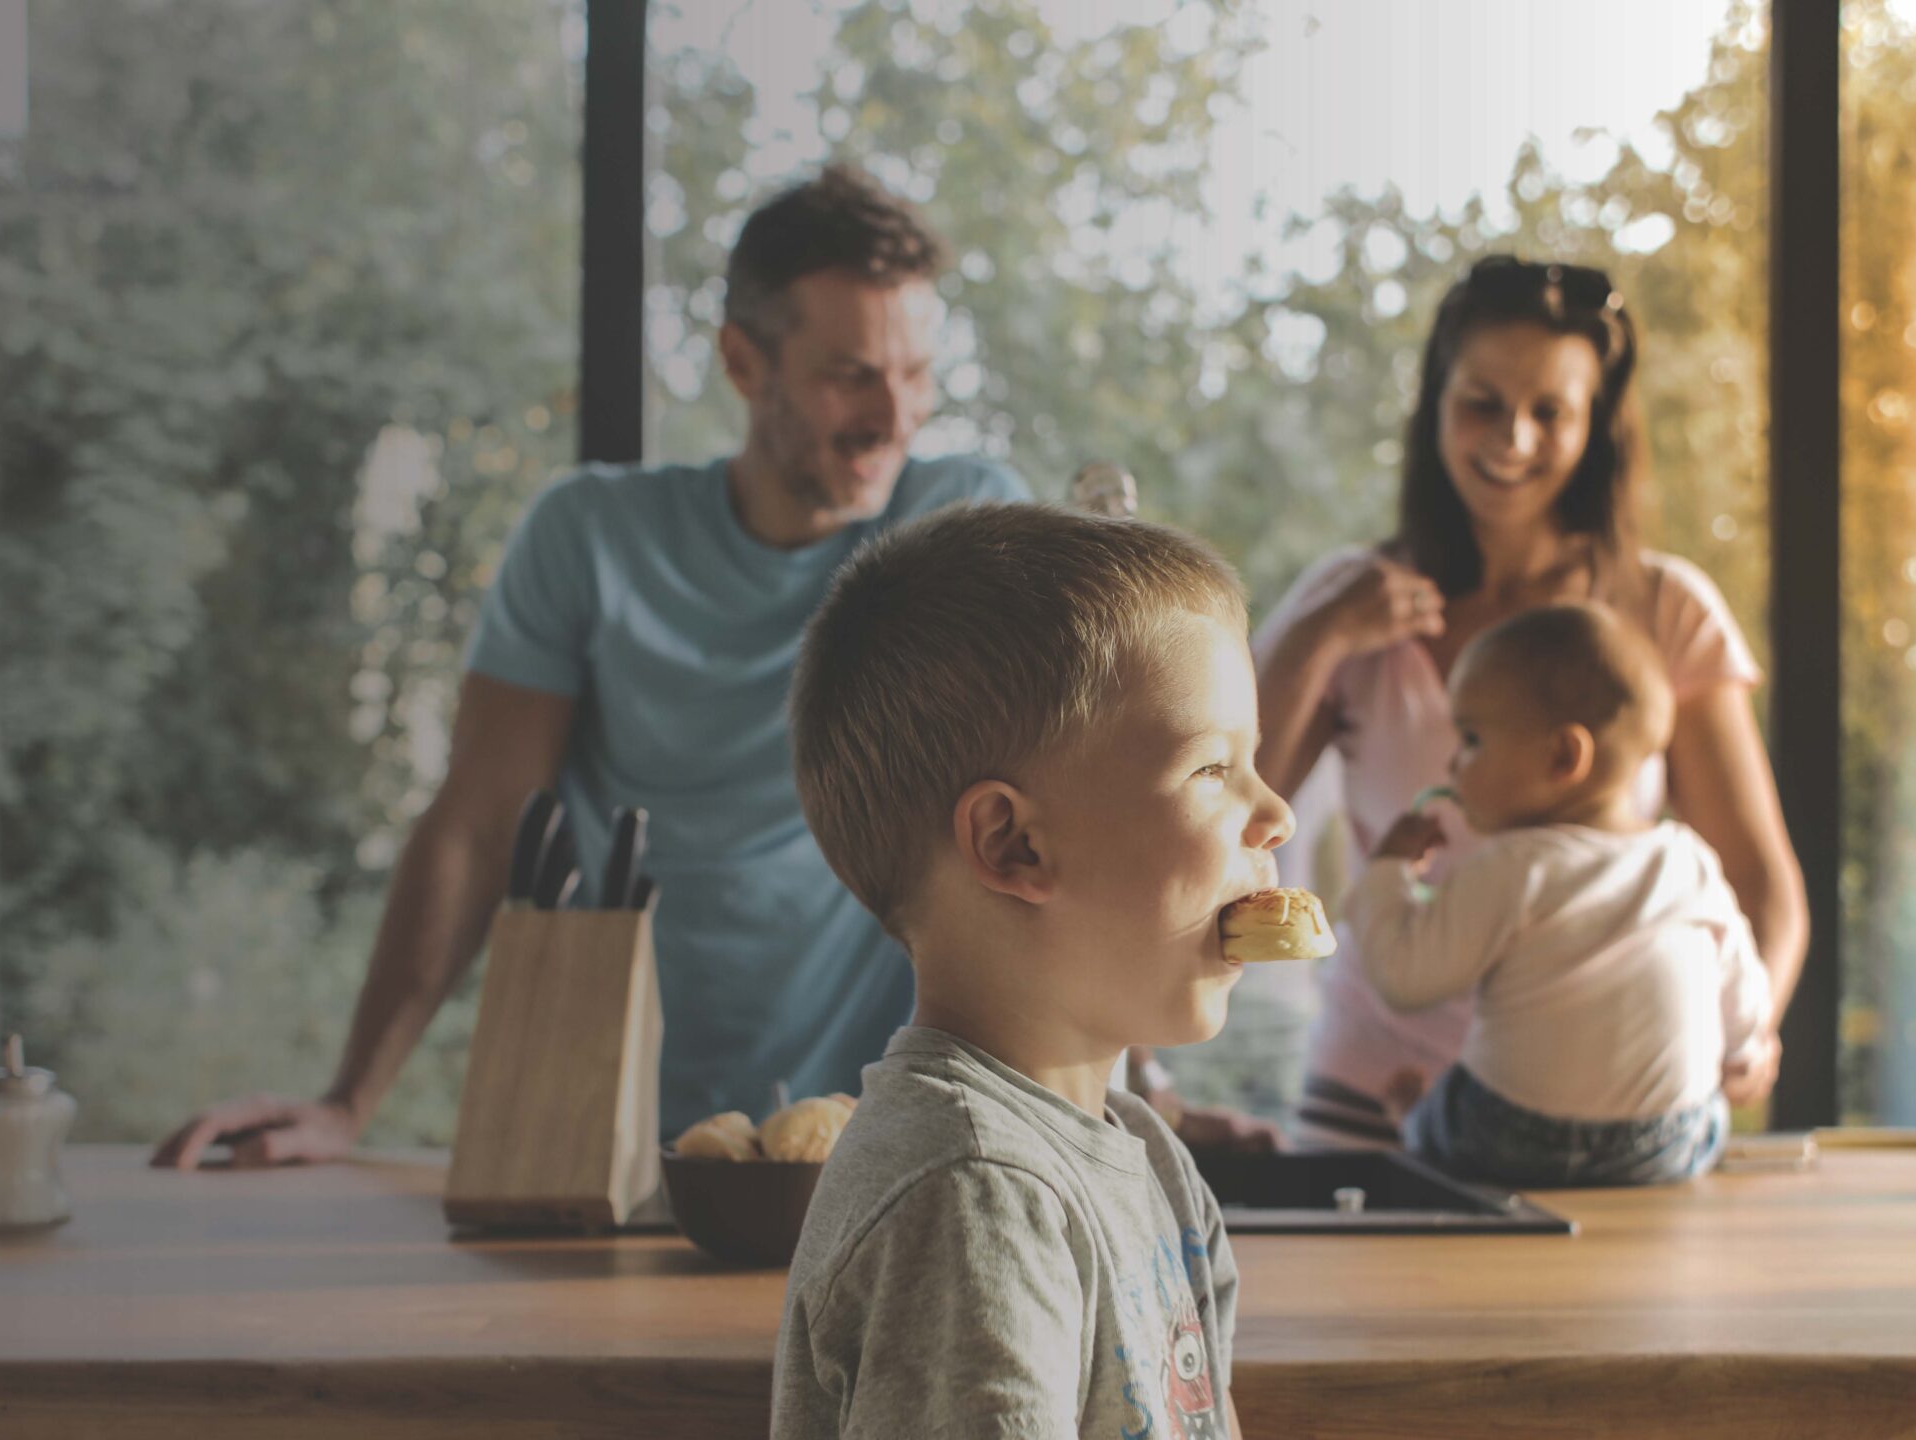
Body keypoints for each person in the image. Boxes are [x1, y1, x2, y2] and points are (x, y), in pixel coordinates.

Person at [151, 165, 1029, 1166]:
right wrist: (348, 1103)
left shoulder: (963, 526)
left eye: (915, 373)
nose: (893, 411)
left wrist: (1150, 1094)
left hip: (893, 1145)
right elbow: (480, 827)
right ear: (744, 364)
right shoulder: (589, 537)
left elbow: (1058, 816)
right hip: (608, 1137)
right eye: (849, 374)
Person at [1255, 255, 1807, 1151]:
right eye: (1482, 402)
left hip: (1592, 1109)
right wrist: (1317, 636)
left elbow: (1756, 884)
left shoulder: (1667, 611)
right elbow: (1233, 809)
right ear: (1437, 400)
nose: (1511, 437)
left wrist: (1747, 1035)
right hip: (1372, 1086)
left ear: (1595, 427)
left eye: (1550, 412)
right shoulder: (1350, 605)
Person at [773, 504, 1280, 1439]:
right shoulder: (974, 1197)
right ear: (1013, 845)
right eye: (1214, 770)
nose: (1276, 813)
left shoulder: (1146, 1157)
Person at [1344, 603, 1770, 1186]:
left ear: (1564, 756)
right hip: (1668, 1140)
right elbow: (1742, 983)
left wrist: (1388, 874)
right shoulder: (1688, 860)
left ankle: (1417, 1123)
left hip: (1510, 1136)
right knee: (1711, 1116)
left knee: (1443, 1116)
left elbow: (1406, 977)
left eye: (1471, 738)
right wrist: (1742, 1050)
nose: (1452, 762)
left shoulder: (1513, 867)